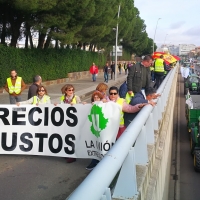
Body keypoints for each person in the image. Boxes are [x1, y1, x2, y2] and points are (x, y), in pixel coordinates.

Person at [59, 84, 81, 163]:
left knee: (72, 138)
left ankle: (73, 155)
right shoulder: (62, 98)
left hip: (74, 121)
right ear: (65, 91)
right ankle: (67, 152)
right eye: (69, 90)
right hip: (65, 121)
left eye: (72, 90)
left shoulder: (76, 97)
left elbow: (81, 107)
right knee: (65, 137)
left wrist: (75, 105)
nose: (71, 91)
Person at [86, 91, 104, 170]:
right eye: (95, 97)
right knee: (95, 145)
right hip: (93, 129)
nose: (96, 99)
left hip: (101, 129)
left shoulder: (104, 105)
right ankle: (94, 161)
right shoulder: (90, 106)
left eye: (98, 98)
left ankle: (100, 161)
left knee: (101, 144)